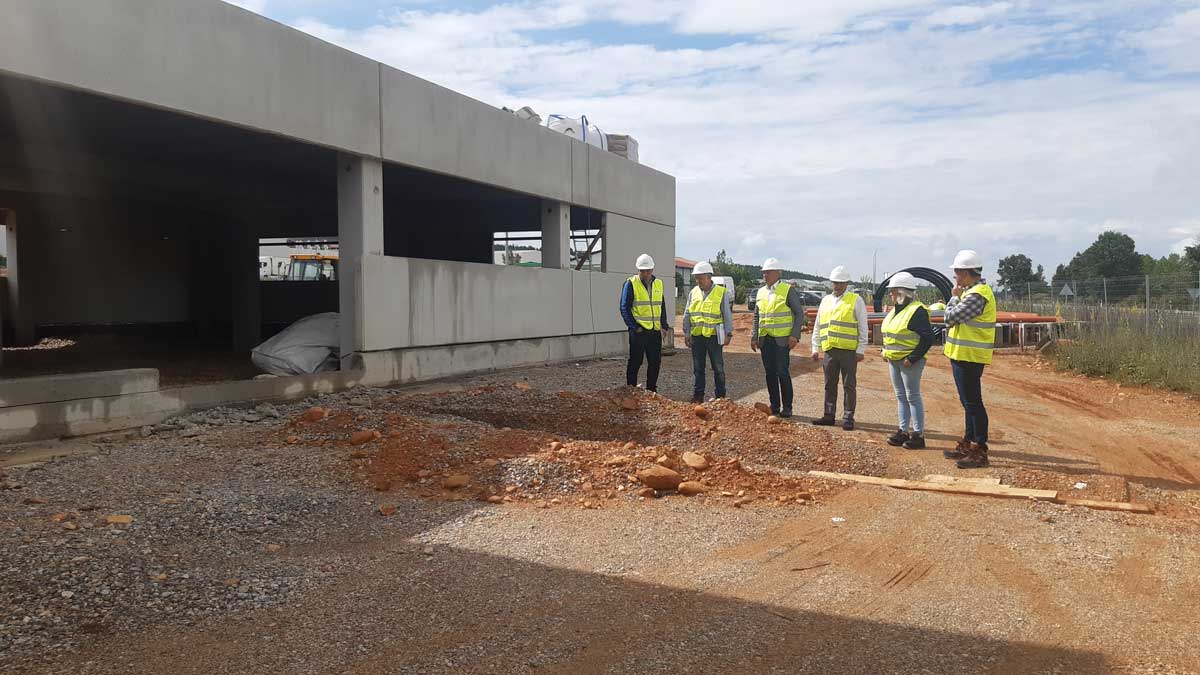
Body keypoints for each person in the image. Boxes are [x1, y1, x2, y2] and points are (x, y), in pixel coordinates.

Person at [942, 250, 997, 469]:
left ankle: (979, 449)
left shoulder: (977, 295)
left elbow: (950, 317)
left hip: (970, 357)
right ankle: (968, 443)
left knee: (973, 403)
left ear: (965, 273)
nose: (955, 276)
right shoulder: (972, 292)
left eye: (956, 272)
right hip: (962, 354)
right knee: (968, 403)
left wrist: (953, 297)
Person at [880, 272, 935, 450]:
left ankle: (918, 435)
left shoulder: (916, 311)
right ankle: (903, 431)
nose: (891, 294)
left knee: (912, 396)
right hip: (894, 360)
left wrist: (912, 358)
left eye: (893, 291)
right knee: (901, 397)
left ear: (903, 292)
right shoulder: (896, 310)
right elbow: (890, 334)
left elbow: (927, 338)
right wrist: (885, 351)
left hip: (909, 362)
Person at [811, 265, 868, 430]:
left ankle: (848, 417)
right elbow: (818, 325)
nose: (837, 286)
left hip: (849, 352)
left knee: (849, 385)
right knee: (830, 384)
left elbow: (863, 327)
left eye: (841, 283)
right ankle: (829, 415)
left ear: (846, 283)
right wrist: (815, 347)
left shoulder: (856, 300)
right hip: (830, 351)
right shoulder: (826, 301)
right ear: (831, 283)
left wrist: (860, 349)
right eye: (835, 282)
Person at [750, 258, 805, 417]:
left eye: (768, 272)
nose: (765, 275)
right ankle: (774, 406)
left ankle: (787, 407)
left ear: (777, 273)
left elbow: (799, 313)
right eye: (763, 273)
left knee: (782, 372)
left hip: (782, 340)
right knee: (770, 373)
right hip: (765, 340)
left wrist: (795, 335)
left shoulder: (787, 290)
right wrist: (754, 336)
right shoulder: (761, 292)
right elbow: (757, 316)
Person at [619, 254, 671, 392]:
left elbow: (661, 305)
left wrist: (664, 325)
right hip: (639, 330)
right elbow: (624, 307)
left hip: (654, 331)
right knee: (636, 361)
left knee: (655, 362)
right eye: (642, 271)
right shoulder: (630, 283)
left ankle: (651, 390)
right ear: (638, 270)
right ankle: (631, 389)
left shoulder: (658, 283)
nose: (645, 273)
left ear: (652, 270)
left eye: (648, 270)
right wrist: (634, 327)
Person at [682, 261, 733, 403]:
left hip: (714, 336)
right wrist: (687, 333)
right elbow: (687, 313)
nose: (698, 280)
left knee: (718, 367)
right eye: (696, 278)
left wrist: (728, 333)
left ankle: (720, 397)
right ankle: (698, 395)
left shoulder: (720, 292)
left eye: (701, 277)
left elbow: (726, 314)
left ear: (709, 276)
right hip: (697, 336)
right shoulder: (693, 292)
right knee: (698, 368)